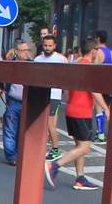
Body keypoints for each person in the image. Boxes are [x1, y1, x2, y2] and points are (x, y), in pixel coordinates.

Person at [45, 39, 108, 190]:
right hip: (82, 111)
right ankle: (54, 165)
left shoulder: (75, 64)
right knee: (85, 147)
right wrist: (107, 109)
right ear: (94, 51)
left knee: (79, 145)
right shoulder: (89, 67)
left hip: (71, 109)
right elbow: (95, 91)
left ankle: (80, 178)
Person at [35, 34, 67, 161]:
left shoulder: (61, 59)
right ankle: (41, 147)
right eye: (45, 45)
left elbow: (67, 76)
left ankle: (55, 149)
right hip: (40, 94)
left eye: (50, 46)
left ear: (54, 46)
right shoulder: (37, 59)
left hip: (54, 95)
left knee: (50, 124)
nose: (47, 48)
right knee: (40, 123)